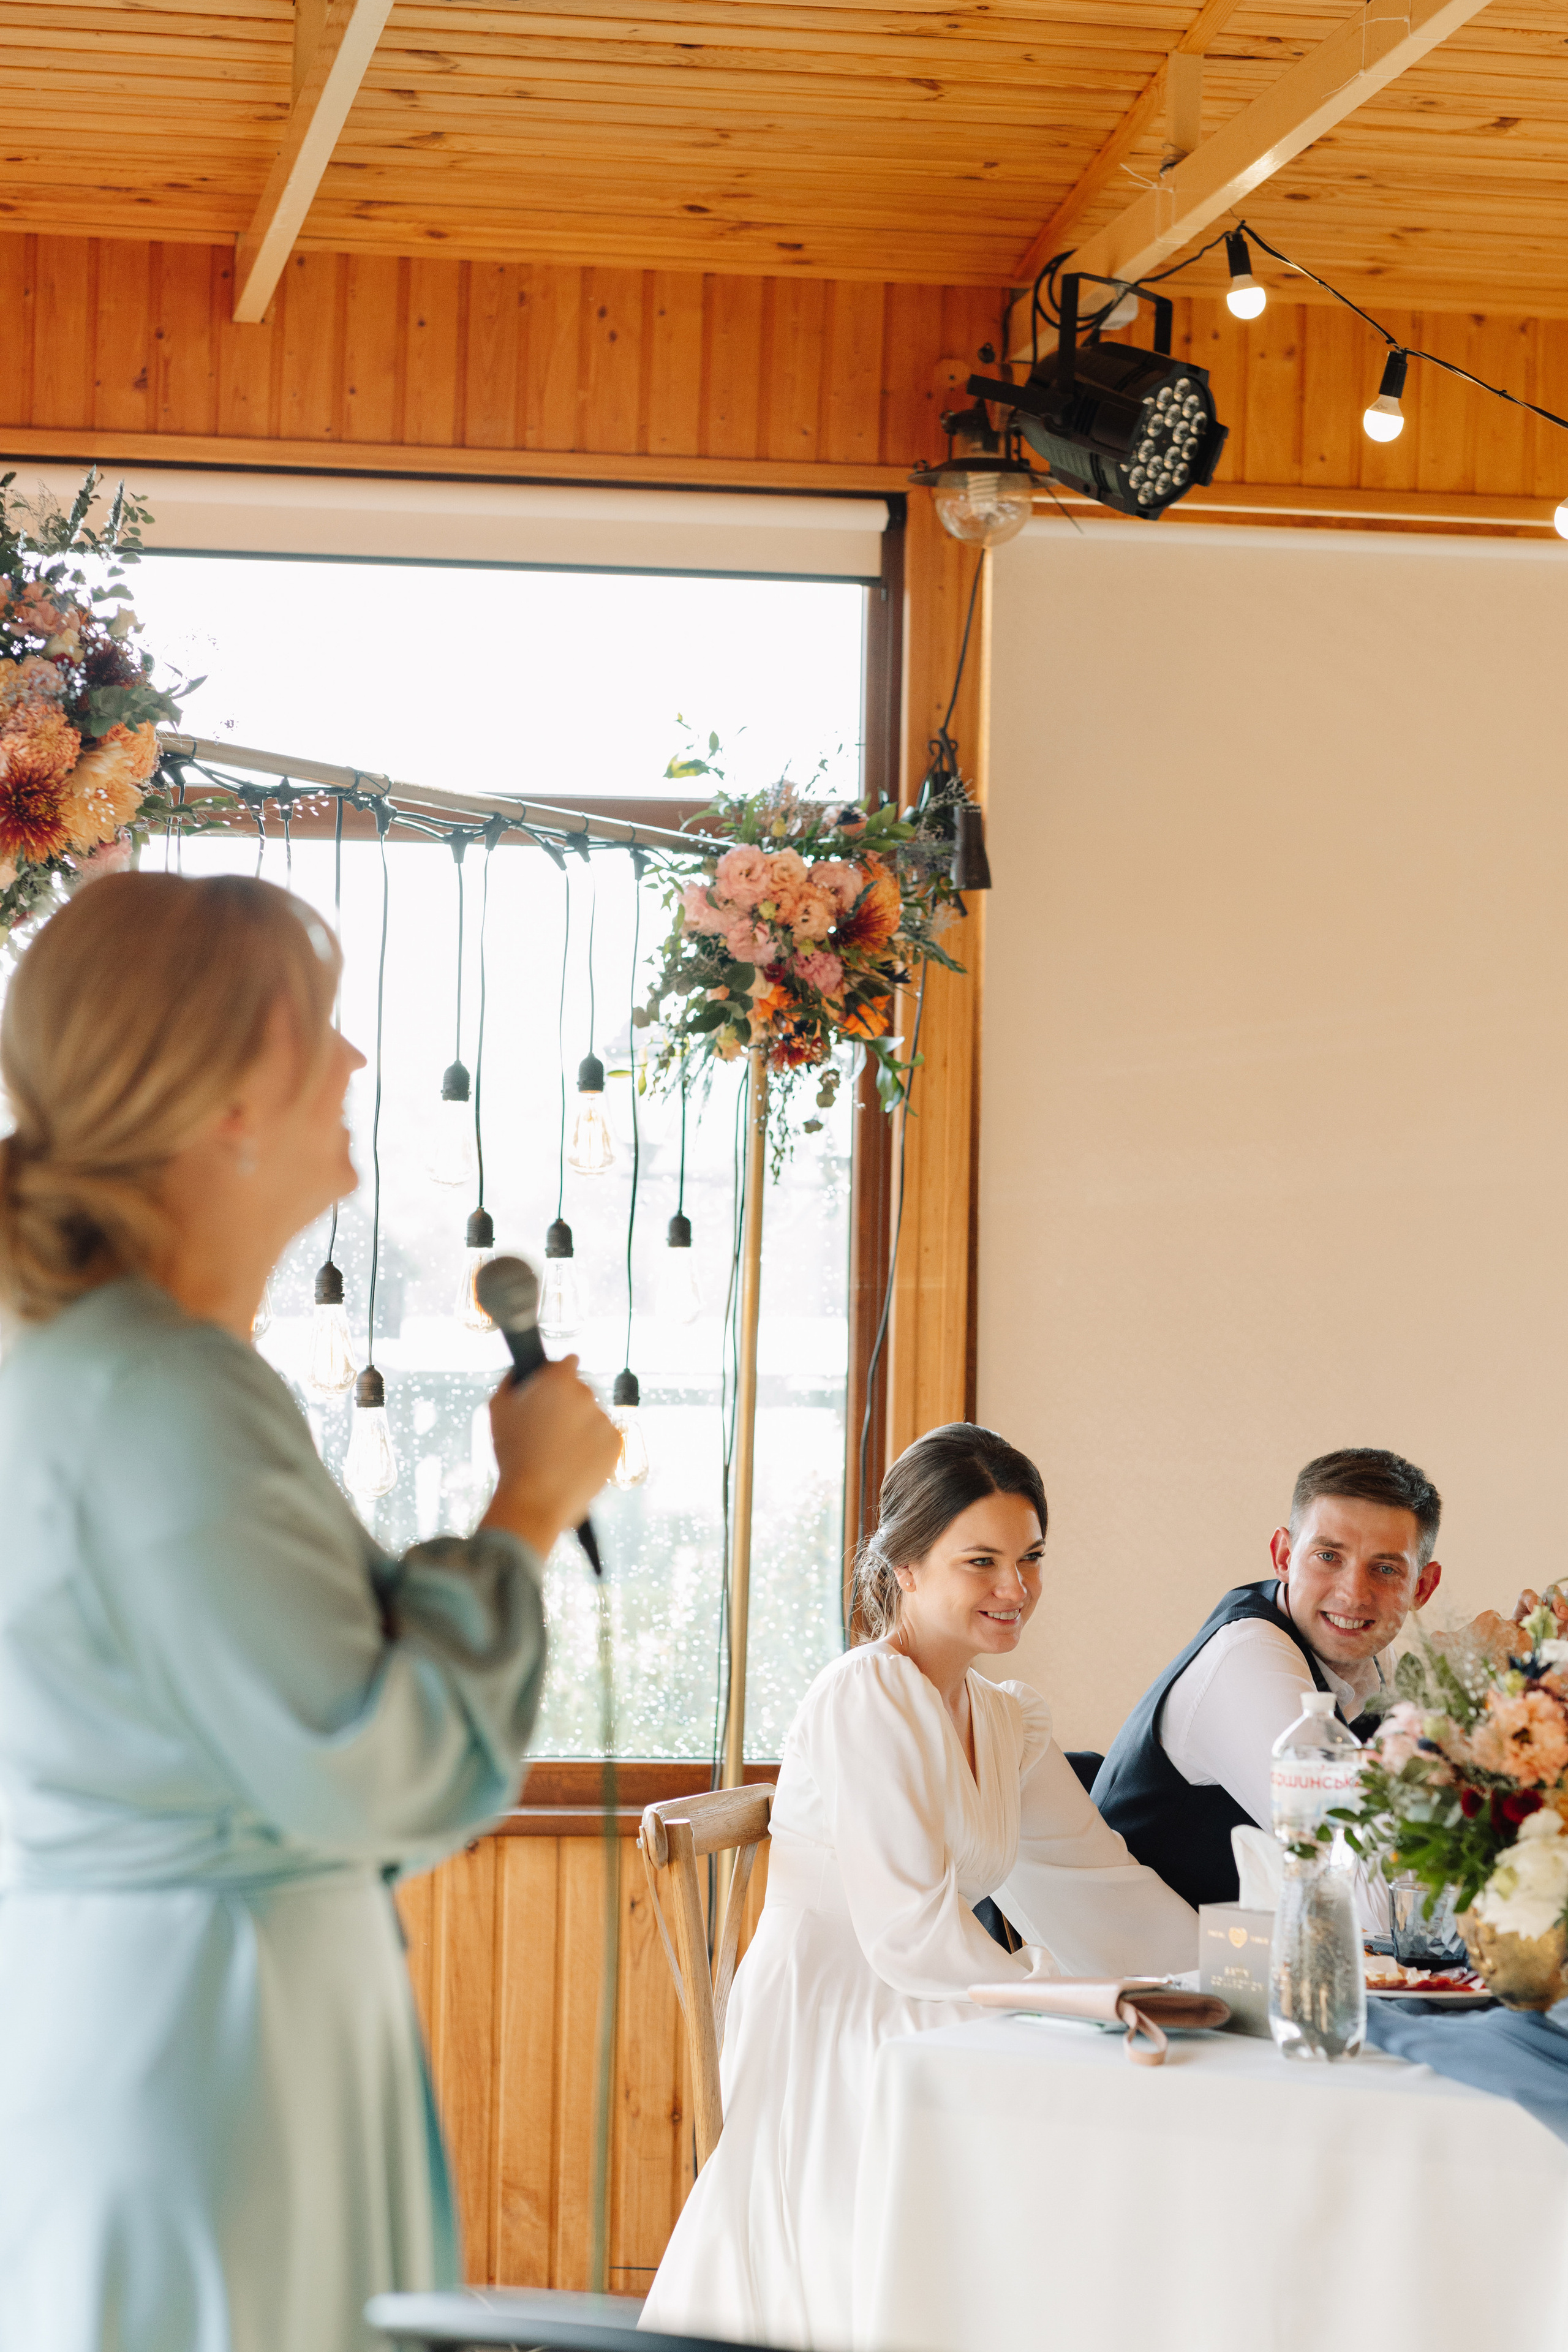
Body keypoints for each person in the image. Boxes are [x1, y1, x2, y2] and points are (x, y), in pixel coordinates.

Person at [0, 873, 620, 2352]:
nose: (352, 1065)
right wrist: (523, 1513)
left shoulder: (100, 1367)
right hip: (208, 2052)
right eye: (323, 1029)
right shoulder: (160, 1392)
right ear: (226, 1089)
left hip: (174, 2013)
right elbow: (368, 1758)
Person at [639, 1422, 1196, 2351]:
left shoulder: (1002, 1715)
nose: (1016, 1589)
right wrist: (1067, 2001)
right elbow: (906, 1932)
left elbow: (1092, 1880)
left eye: (1031, 1558)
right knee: (1078, 2098)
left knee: (1142, 2069)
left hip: (940, 1986)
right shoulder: (865, 1694)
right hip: (843, 2013)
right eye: (982, 1561)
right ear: (905, 1565)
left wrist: (1213, 1971)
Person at [1092, 1447, 1442, 1910]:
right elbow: (1368, 1896)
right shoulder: (1249, 1657)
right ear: (1283, 1555)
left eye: (1384, 1569)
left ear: (1422, 1587)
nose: (1354, 1594)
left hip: (1246, 1961)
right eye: (1328, 1556)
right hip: (1150, 1967)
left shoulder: (1373, 1661)